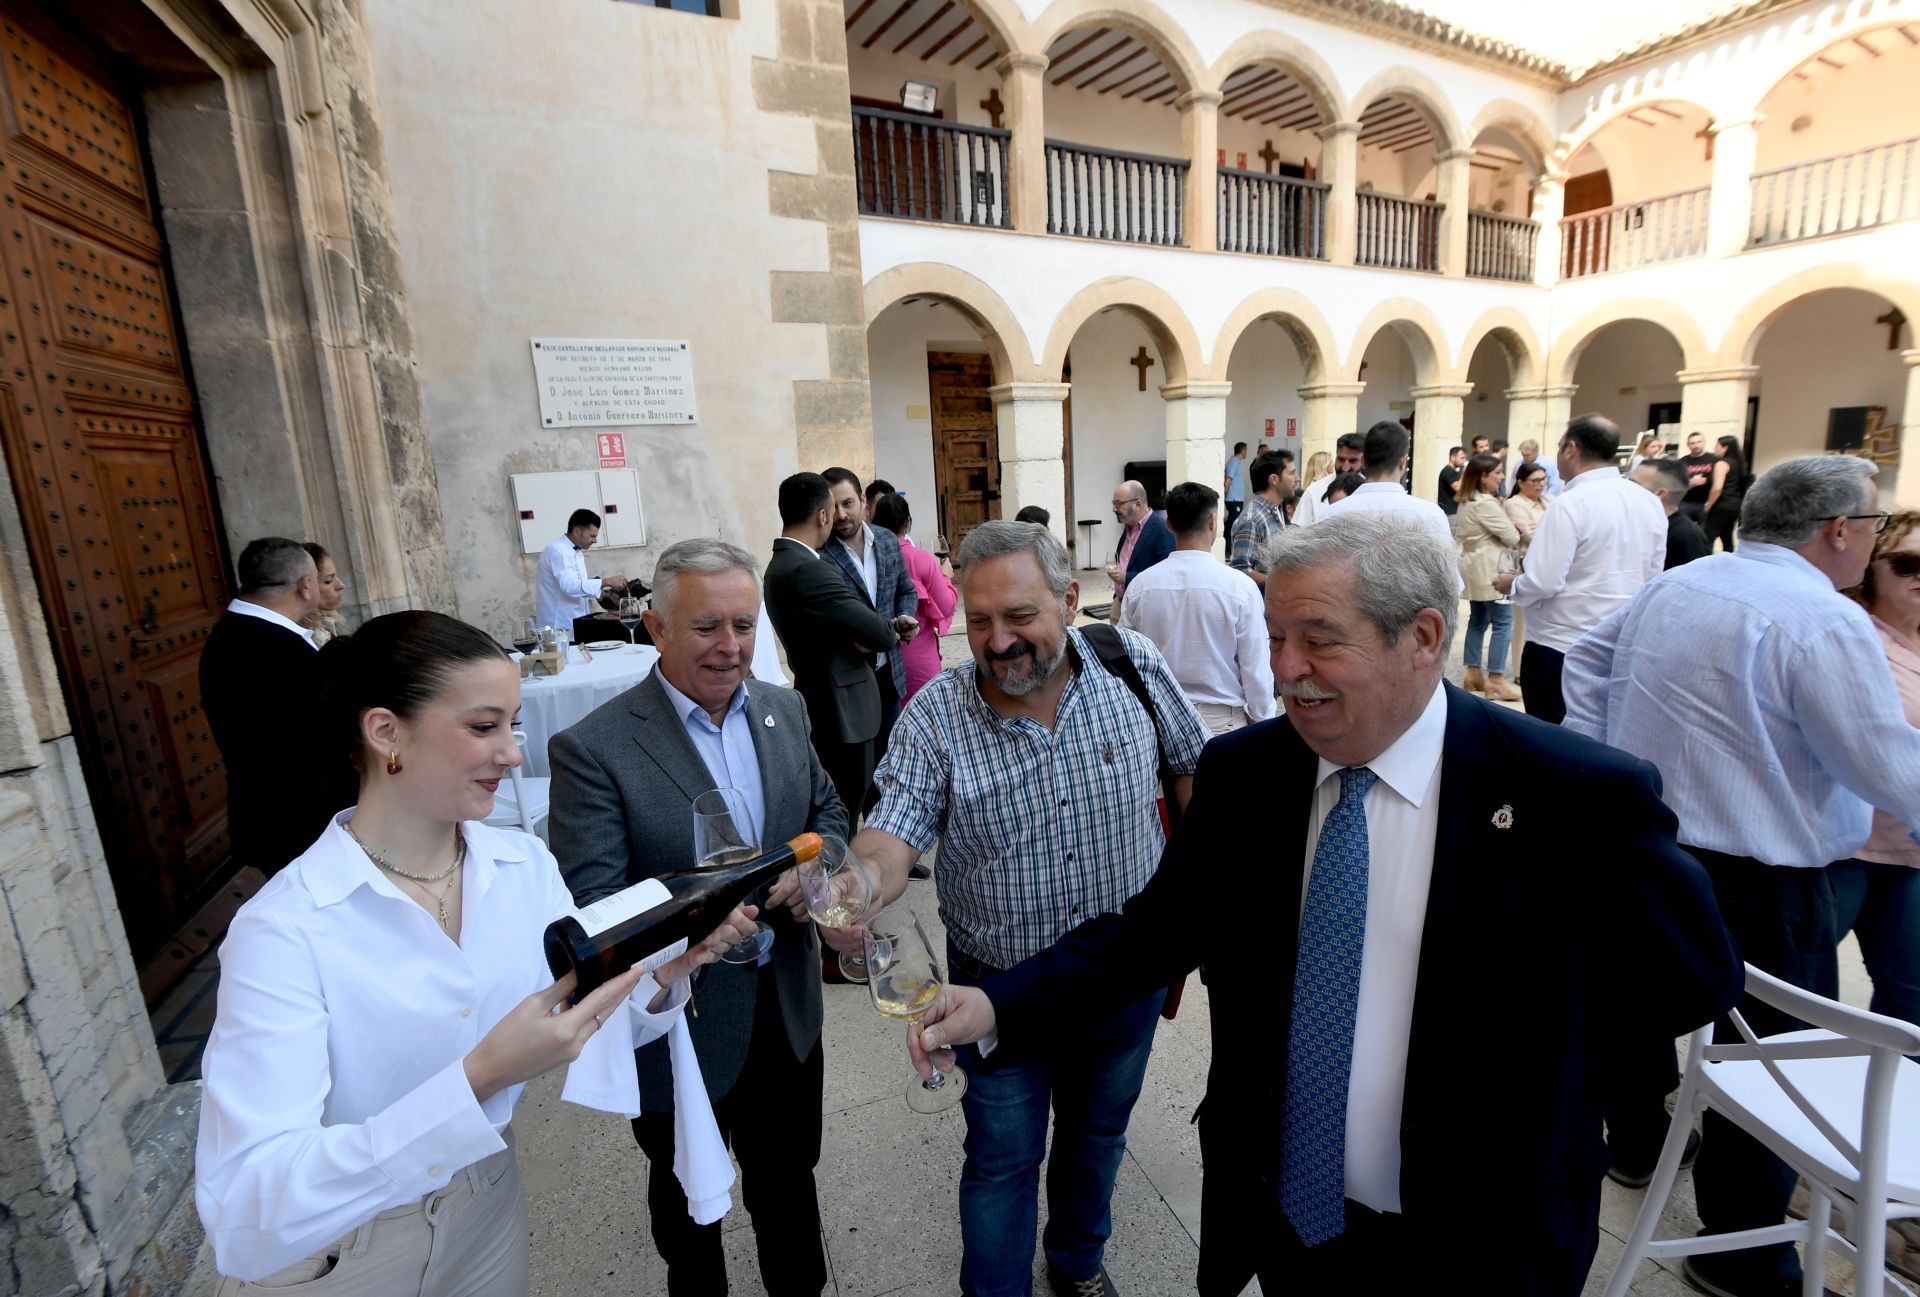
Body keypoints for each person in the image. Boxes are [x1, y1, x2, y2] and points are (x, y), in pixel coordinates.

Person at [909, 514, 1742, 1297]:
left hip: (1487, 1238)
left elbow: (1691, 979)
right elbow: (1151, 933)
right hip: (1288, 1222)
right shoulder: (1246, 775)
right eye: (1276, 637)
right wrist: (994, 1002)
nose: (1285, 667)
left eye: (1319, 640)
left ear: (1422, 637)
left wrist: (1544, 1064)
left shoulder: (1572, 794)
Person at [195, 610, 757, 1292]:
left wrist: (664, 971)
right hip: (341, 1253)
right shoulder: (284, 929)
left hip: (487, 1204)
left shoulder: (521, 865)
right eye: (483, 726)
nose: (515, 753)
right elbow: (249, 1200)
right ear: (384, 732)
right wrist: (478, 1077)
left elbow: (572, 1009)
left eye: (513, 724)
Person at [788, 521, 1208, 1297]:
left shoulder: (1131, 664)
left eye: (1019, 616)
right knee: (1003, 1161)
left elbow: (1190, 771)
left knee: (1097, 1133)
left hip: (1124, 982)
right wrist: (860, 886)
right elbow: (892, 833)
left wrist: (1197, 898)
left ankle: (1078, 1263)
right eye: (978, 621)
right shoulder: (936, 717)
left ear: (1071, 600)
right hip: (996, 994)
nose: (997, 639)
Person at [1563, 456, 1920, 1297]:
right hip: (1768, 878)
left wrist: (1615, 766)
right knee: (1770, 1062)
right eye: (1872, 529)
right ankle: (1743, 1253)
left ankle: (1642, 1147)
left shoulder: (1683, 583)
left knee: (1658, 1015)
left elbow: (1584, 662)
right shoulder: (1822, 619)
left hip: (1664, 848)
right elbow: (1885, 765)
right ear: (1840, 530)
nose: (1871, 545)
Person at [549, 539, 852, 1297]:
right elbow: (596, 905)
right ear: (655, 626)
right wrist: (694, 932)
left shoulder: (784, 709)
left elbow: (829, 813)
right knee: (689, 1210)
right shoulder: (595, 748)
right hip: (679, 1026)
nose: (731, 647)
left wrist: (811, 863)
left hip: (786, 1007)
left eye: (744, 626)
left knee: (789, 1184)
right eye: (707, 626)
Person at [1492, 416, 1664, 725]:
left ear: (1571, 449)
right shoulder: (1648, 502)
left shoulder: (1570, 503)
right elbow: (1652, 577)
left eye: (1559, 446)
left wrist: (1511, 585)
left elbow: (1544, 581)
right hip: (1618, 643)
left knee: (1554, 746)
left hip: (1561, 647)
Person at [201, 538, 356, 877]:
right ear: (305, 586)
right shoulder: (273, 648)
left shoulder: (237, 633)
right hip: (302, 828)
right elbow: (316, 744)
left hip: (277, 819)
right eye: (320, 579)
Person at [760, 473, 898, 824]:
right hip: (844, 710)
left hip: (822, 698)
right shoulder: (809, 568)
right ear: (822, 516)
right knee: (844, 813)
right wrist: (869, 633)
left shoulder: (780, 563)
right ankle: (840, 877)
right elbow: (881, 633)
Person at [1836, 509, 1920, 1030]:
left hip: (1909, 852)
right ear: (1873, 566)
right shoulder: (1850, 635)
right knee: (1793, 990)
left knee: (1911, 996)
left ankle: (1885, 1105)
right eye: (1908, 563)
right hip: (1843, 846)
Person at [1121, 482, 1276, 733]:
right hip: (1221, 722)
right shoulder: (1240, 588)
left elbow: (1127, 659)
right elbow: (1255, 666)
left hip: (1160, 719)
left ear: (1168, 523)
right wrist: (1263, 720)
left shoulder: (1140, 586)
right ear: (1213, 521)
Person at [822, 466, 920, 805]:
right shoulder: (820, 556)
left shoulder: (888, 540)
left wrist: (907, 614)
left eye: (848, 503)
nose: (842, 514)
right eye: (833, 507)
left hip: (888, 674)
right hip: (850, 682)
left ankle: (886, 842)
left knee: (890, 766)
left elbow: (905, 590)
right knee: (856, 777)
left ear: (864, 500)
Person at [871, 492, 957, 702]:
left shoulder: (868, 559)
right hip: (919, 658)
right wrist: (945, 577)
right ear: (907, 523)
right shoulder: (921, 559)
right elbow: (946, 605)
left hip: (880, 662)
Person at [1453, 453, 1521, 701]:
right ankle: (1496, 678)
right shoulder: (1485, 503)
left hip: (1474, 566)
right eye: (1498, 472)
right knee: (1503, 622)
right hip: (1493, 567)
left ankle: (1473, 673)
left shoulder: (1465, 501)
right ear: (1483, 477)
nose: (1501, 477)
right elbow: (1511, 537)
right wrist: (1515, 529)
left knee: (1478, 620)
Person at [1323, 421, 1454, 551]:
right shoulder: (1430, 515)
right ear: (1402, 461)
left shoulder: (1332, 513)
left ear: (1363, 460)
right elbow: (1446, 570)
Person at [536, 508, 628, 631]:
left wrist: (600, 593)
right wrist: (605, 582)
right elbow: (569, 586)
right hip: (559, 625)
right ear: (577, 531)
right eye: (592, 536)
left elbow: (577, 584)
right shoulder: (558, 551)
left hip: (576, 621)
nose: (595, 540)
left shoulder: (575, 551)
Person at [1503, 461, 1552, 681]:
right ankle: (1520, 672)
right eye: (1536, 480)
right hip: (1525, 565)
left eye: (1544, 479)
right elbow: (1529, 537)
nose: (1541, 485)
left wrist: (1539, 528)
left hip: (1550, 565)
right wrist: (1545, 529)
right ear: (1521, 482)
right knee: (1522, 622)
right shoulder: (1514, 504)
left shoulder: (1549, 502)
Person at [1105, 478, 1174, 620]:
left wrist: (1127, 577)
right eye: (1114, 503)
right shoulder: (1128, 528)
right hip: (1121, 601)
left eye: (1119, 503)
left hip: (1143, 608)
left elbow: (1166, 574)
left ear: (1137, 504)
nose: (1114, 509)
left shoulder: (1161, 529)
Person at [1226, 451, 1294, 588]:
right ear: (1274, 479)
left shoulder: (1275, 509)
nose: (1297, 478)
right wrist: (1281, 584)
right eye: (1292, 473)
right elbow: (1241, 570)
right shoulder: (1252, 519)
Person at [1629, 457, 1712, 570]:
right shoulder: (1639, 523)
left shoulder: (1686, 536)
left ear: (1659, 493)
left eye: (1633, 485)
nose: (1625, 488)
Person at [1293, 432, 1364, 526]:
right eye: (1341, 459)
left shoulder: (1370, 490)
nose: (1345, 467)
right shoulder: (1314, 491)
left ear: (1363, 460)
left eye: (1352, 461)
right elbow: (1298, 533)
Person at [1703, 434, 1749, 553]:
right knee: (1727, 538)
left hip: (1721, 505)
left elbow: (1717, 487)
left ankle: (1705, 564)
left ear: (1725, 448)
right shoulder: (1739, 464)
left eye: (1717, 446)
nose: (1715, 449)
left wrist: (1709, 504)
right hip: (1735, 505)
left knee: (1707, 537)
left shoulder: (1722, 463)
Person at [301, 542, 348, 647]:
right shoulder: (302, 635)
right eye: (328, 581)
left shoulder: (329, 624)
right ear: (305, 586)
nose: (341, 585)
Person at [1678, 431, 1717, 524]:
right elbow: (1675, 479)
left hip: (1706, 502)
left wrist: (1706, 480)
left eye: (1699, 442)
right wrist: (1687, 483)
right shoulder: (1682, 461)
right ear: (1688, 445)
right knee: (1685, 529)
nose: (1696, 445)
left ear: (1703, 442)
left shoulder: (1713, 459)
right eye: (1692, 443)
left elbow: (1721, 479)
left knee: (1703, 532)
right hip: (1686, 502)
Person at [1223, 440, 1249, 532]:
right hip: (1233, 499)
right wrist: (1224, 496)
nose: (1246, 452)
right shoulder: (1233, 462)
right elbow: (1228, 481)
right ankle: (1228, 545)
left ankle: (1229, 544)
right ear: (1242, 451)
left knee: (1233, 523)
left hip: (1236, 499)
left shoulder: (1236, 462)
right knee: (1233, 523)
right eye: (1246, 450)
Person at [1435, 446, 1466, 517]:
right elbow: (1458, 488)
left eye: (1464, 458)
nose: (1464, 460)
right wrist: (1465, 472)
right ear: (1453, 457)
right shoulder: (1448, 471)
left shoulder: (1455, 472)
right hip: (1450, 513)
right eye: (1462, 458)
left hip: (1455, 512)